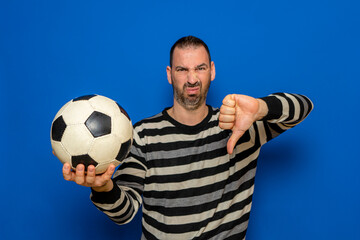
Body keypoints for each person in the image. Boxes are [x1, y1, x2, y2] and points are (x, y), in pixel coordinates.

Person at [62, 36, 313, 239]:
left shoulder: (241, 125)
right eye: (182, 69)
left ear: (212, 71)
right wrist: (102, 186)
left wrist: (260, 108)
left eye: (200, 68)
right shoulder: (143, 134)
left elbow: (304, 107)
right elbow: (124, 214)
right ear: (170, 74)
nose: (192, 79)